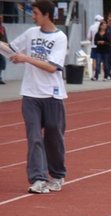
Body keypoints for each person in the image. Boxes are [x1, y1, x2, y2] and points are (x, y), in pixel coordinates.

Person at [9, 0, 67, 193]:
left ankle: (57, 175)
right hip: (30, 95)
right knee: (34, 137)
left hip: (52, 95)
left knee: (54, 137)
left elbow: (52, 67)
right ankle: (38, 179)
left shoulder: (60, 37)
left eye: (35, 13)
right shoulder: (30, 33)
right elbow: (12, 49)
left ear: (46, 14)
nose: (32, 16)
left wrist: (26, 58)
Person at [87, 14, 103, 79]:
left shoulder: (91, 27)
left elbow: (88, 37)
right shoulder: (102, 27)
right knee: (103, 59)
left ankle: (94, 74)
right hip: (102, 46)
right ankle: (104, 74)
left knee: (94, 60)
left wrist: (92, 40)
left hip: (94, 45)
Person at [0, 15, 7, 84]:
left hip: (2, 47)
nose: (1, 20)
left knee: (2, 63)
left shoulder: (3, 28)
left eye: (2, 19)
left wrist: (7, 45)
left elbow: (5, 37)